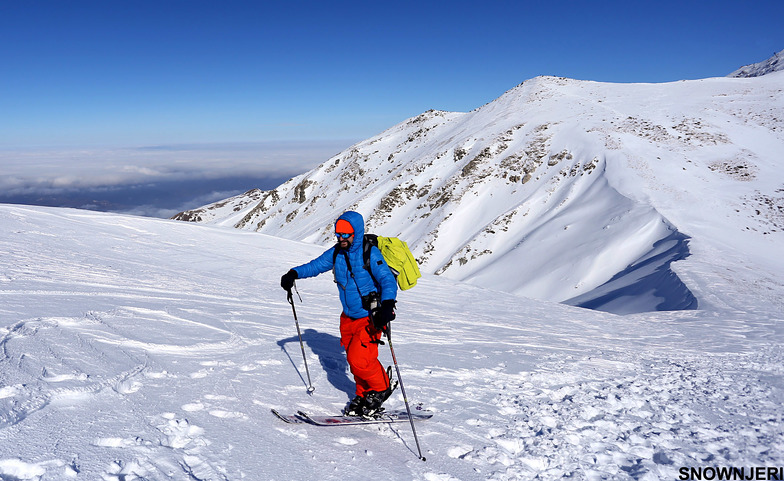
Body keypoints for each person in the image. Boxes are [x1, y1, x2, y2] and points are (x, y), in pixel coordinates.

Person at [280, 210, 397, 416]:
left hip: (370, 317)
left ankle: (380, 388)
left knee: (360, 359)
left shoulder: (370, 254)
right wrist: (294, 273)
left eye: (345, 235)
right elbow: (315, 266)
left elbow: (387, 279)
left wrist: (387, 305)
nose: (341, 239)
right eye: (338, 235)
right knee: (354, 362)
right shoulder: (337, 253)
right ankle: (363, 393)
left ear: (356, 233)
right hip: (347, 317)